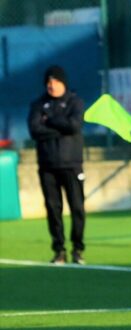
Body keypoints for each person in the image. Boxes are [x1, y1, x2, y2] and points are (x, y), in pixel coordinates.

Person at [28, 65, 86, 265]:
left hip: (72, 165)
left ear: (63, 82)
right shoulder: (38, 104)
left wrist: (50, 121)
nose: (51, 85)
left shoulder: (75, 102)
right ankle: (59, 250)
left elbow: (75, 126)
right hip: (47, 166)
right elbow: (35, 130)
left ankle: (78, 249)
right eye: (48, 82)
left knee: (77, 207)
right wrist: (61, 127)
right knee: (53, 209)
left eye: (55, 81)